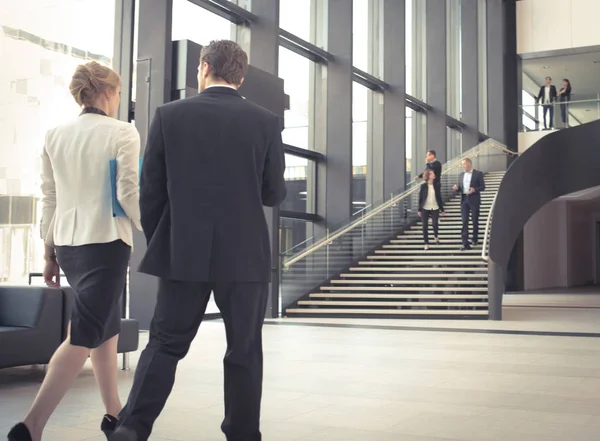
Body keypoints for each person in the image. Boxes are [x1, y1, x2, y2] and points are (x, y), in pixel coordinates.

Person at [110, 40, 287, 441]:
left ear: (204, 67)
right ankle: (242, 434)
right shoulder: (265, 121)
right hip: (245, 257)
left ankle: (133, 428)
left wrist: (167, 240)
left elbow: (150, 193)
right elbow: (273, 193)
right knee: (244, 349)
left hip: (183, 251)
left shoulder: (170, 115)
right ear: (240, 76)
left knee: (165, 344)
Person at [7, 62, 142, 441]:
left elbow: (49, 198)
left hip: (68, 245)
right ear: (107, 92)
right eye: (118, 93)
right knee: (83, 334)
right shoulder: (123, 133)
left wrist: (49, 252)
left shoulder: (55, 135)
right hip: (106, 245)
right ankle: (31, 426)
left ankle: (114, 415)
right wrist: (156, 229)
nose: (119, 100)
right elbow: (128, 194)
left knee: (105, 328)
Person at [452, 158, 485, 251]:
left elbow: (483, 187)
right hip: (464, 200)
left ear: (469, 164)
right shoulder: (461, 175)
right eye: (462, 164)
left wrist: (474, 189)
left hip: (474, 200)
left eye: (464, 164)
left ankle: (475, 238)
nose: (463, 166)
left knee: (474, 220)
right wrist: (457, 188)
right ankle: (465, 243)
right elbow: (461, 188)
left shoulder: (478, 173)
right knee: (464, 221)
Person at [417, 169, 445, 250]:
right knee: (424, 225)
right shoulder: (423, 186)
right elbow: (420, 198)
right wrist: (419, 210)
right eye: (432, 173)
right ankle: (426, 243)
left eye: (433, 173)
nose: (433, 174)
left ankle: (436, 235)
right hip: (425, 207)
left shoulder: (437, 185)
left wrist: (442, 209)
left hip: (435, 207)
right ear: (428, 175)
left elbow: (439, 197)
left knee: (435, 224)